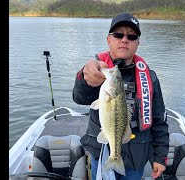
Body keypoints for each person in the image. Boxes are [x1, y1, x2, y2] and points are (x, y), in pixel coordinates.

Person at [72, 12, 169, 180]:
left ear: (138, 43)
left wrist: (160, 157)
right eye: (118, 34)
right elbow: (80, 98)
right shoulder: (97, 71)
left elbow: (159, 119)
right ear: (109, 40)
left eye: (132, 36)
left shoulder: (150, 77)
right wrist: (84, 76)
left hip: (136, 157)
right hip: (101, 153)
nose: (125, 40)